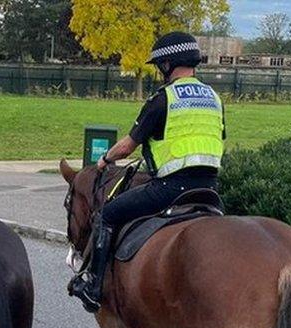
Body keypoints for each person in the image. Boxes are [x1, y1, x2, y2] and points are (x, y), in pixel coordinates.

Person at [69, 32, 226, 313]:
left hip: (171, 189)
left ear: (168, 63)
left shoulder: (164, 98)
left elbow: (128, 146)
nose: (158, 70)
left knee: (108, 214)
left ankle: (92, 285)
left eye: (159, 64)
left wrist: (105, 160)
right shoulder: (214, 98)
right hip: (210, 189)